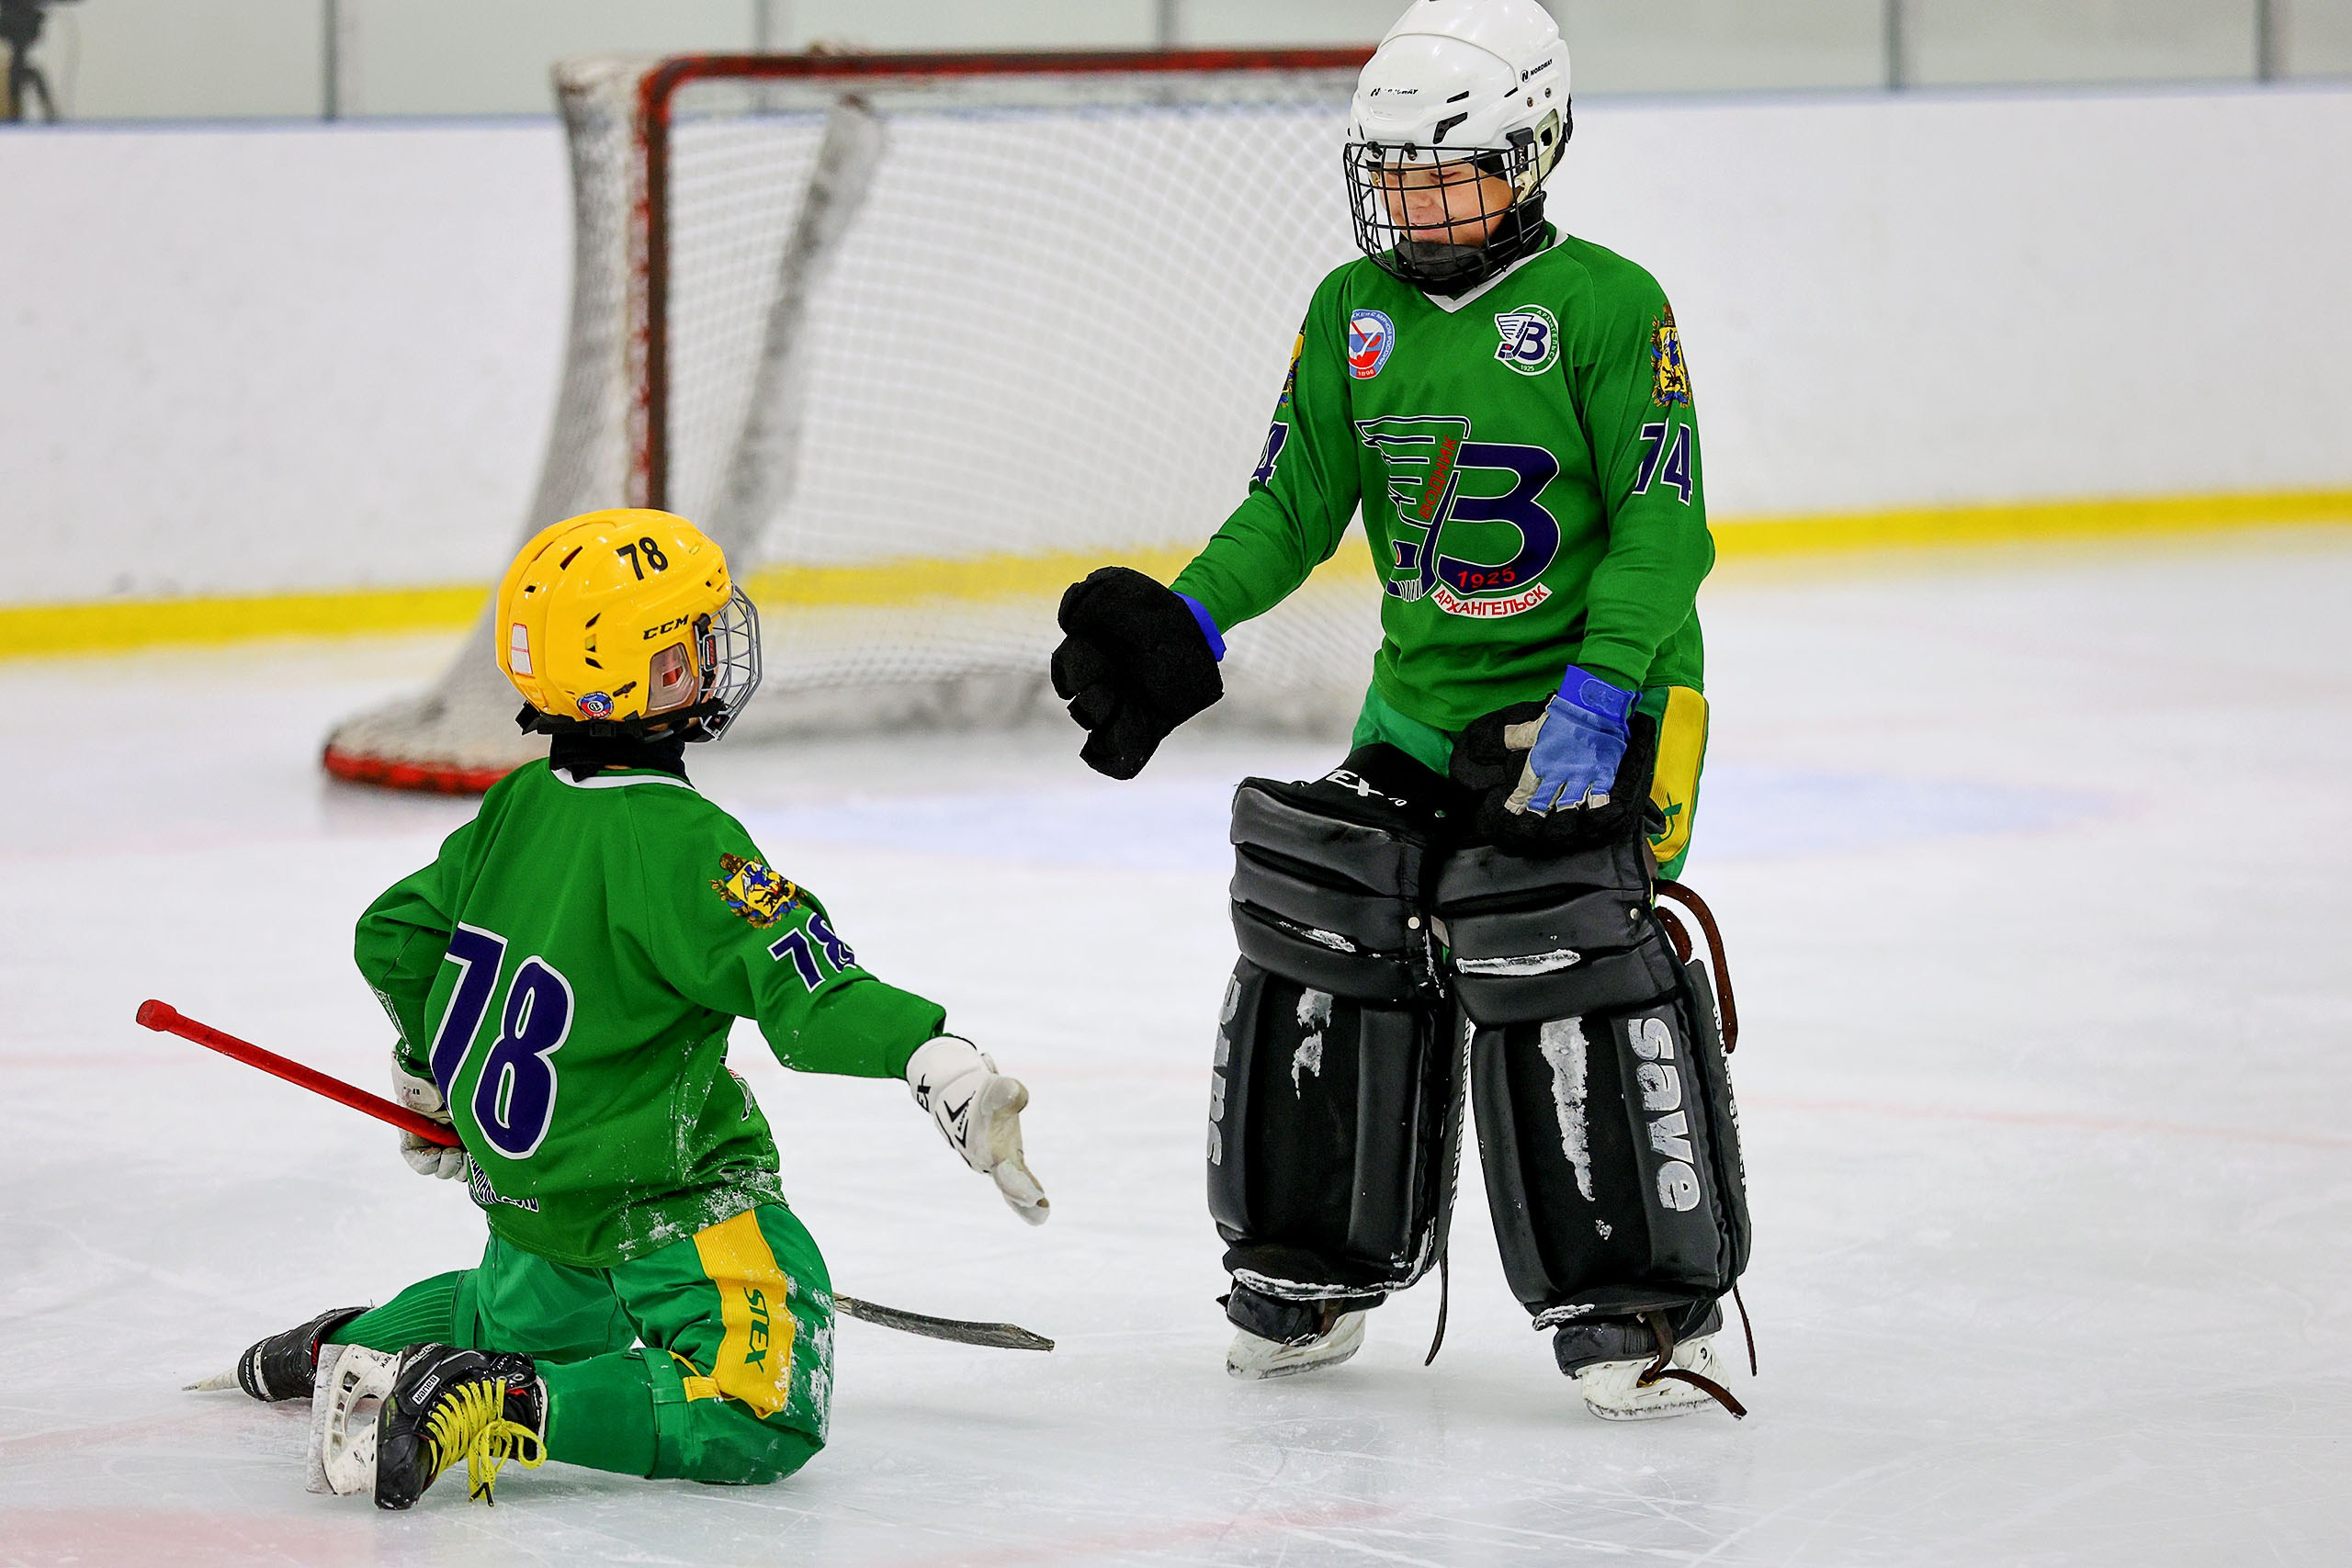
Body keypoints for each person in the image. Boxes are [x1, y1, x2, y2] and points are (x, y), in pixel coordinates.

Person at [1050, 0, 1748, 1419]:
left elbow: (1666, 526)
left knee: (1562, 953)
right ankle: (1311, 1257)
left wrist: (1603, 689)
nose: (1422, 204)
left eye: (1456, 172)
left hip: (1602, 703)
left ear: (1537, 152)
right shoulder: (1349, 312)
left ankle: (1643, 1296)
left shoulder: (1613, 306)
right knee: (1327, 918)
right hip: (1419, 710)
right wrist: (1190, 615)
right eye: (1400, 175)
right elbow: (1292, 504)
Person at [224, 509, 1048, 1508]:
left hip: (530, 1220)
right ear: (652, 674)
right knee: (764, 1408)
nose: (714, 650)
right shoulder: (686, 844)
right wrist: (935, 1056)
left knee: (505, 1311)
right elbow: (806, 991)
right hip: (664, 1211)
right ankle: (509, 1403)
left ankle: (341, 1349)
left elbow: (393, 934)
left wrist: (436, 1067)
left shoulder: (521, 803)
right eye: (694, 636)